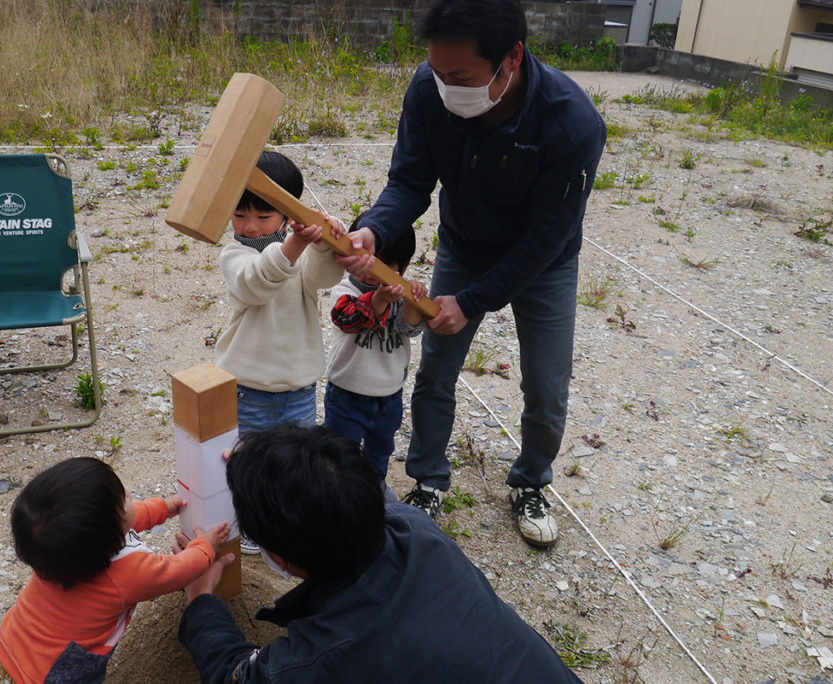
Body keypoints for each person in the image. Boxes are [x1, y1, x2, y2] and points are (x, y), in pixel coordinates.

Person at [338, 0, 606, 548]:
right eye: (437, 72)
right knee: (436, 370)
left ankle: (531, 482)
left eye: (460, 77)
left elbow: (545, 238)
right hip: (465, 243)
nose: (445, 87)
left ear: (512, 57)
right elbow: (409, 180)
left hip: (544, 262)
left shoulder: (572, 123)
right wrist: (376, 231)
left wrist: (472, 300)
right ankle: (428, 480)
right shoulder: (428, 88)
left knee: (547, 384)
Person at [175, 424, 584, 683]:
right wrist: (264, 463)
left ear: (281, 559)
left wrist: (201, 599)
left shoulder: (322, 656)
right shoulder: (415, 528)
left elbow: (235, 675)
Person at [0, 457, 230, 684]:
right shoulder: (128, 574)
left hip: (6, 653)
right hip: (52, 676)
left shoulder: (57, 554)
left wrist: (161, 508)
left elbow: (121, 520)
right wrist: (205, 547)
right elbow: (177, 570)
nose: (128, 494)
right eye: (122, 499)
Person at [213, 149, 345, 555]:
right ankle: (249, 522)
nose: (250, 226)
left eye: (263, 215)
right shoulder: (235, 255)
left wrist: (326, 244)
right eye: (239, 214)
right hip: (248, 388)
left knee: (293, 464)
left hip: (298, 388)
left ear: (287, 215)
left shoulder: (300, 254)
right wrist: (295, 244)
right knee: (245, 462)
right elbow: (255, 284)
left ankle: (282, 524)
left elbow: (325, 277)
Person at [324, 210, 427, 477]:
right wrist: (379, 299)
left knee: (379, 453)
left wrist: (414, 300)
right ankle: (336, 494)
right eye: (365, 262)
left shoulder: (400, 291)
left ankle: (373, 491)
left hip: (389, 394)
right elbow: (348, 320)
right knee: (338, 454)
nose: (371, 273)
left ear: (402, 268)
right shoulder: (345, 289)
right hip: (347, 391)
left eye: (383, 266)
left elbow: (409, 329)